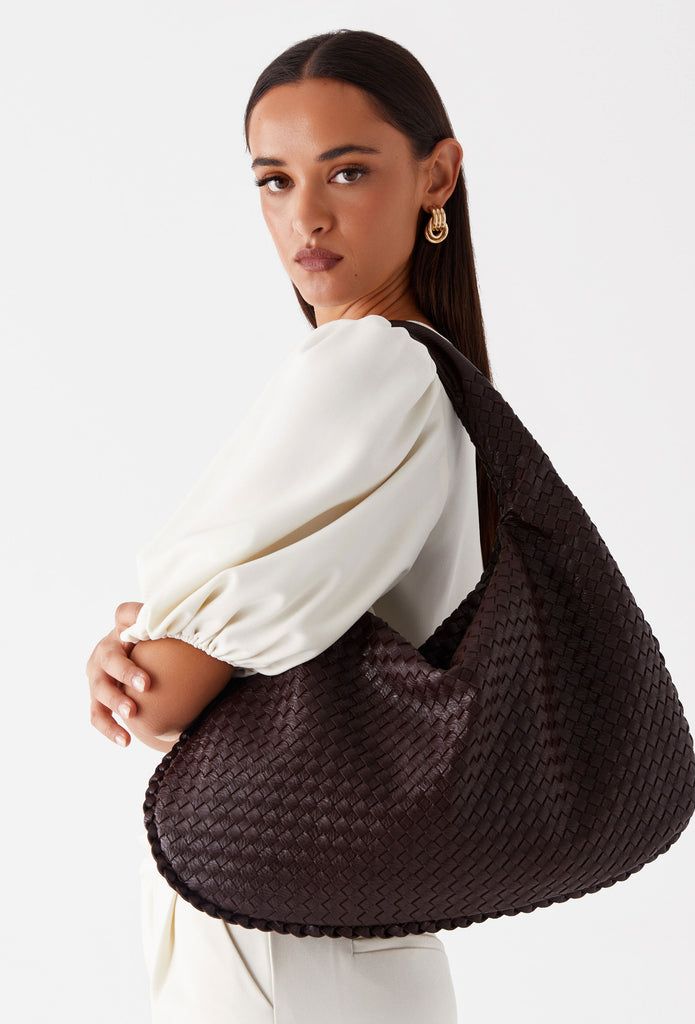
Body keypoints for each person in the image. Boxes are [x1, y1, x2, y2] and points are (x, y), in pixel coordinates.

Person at [86, 28, 498, 1024]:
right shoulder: (437, 377)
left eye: (346, 171)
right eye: (273, 180)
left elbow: (157, 697)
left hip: (282, 952)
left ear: (436, 176)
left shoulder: (368, 366)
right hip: (349, 942)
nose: (305, 215)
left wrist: (141, 642)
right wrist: (154, 639)